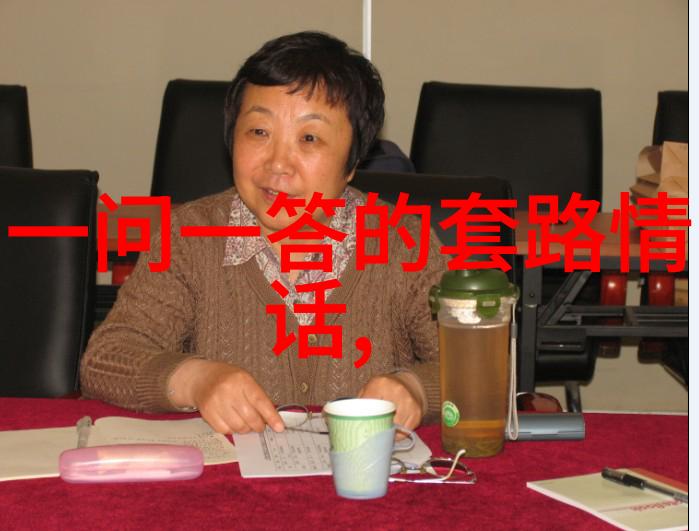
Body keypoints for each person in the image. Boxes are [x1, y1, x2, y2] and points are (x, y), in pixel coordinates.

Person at [80, 31, 446, 436]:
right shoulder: (189, 237)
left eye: (309, 138)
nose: (278, 164)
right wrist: (195, 379)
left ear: (352, 162)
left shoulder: (402, 243)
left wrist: (415, 389)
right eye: (259, 132)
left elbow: (479, 367)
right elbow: (106, 357)